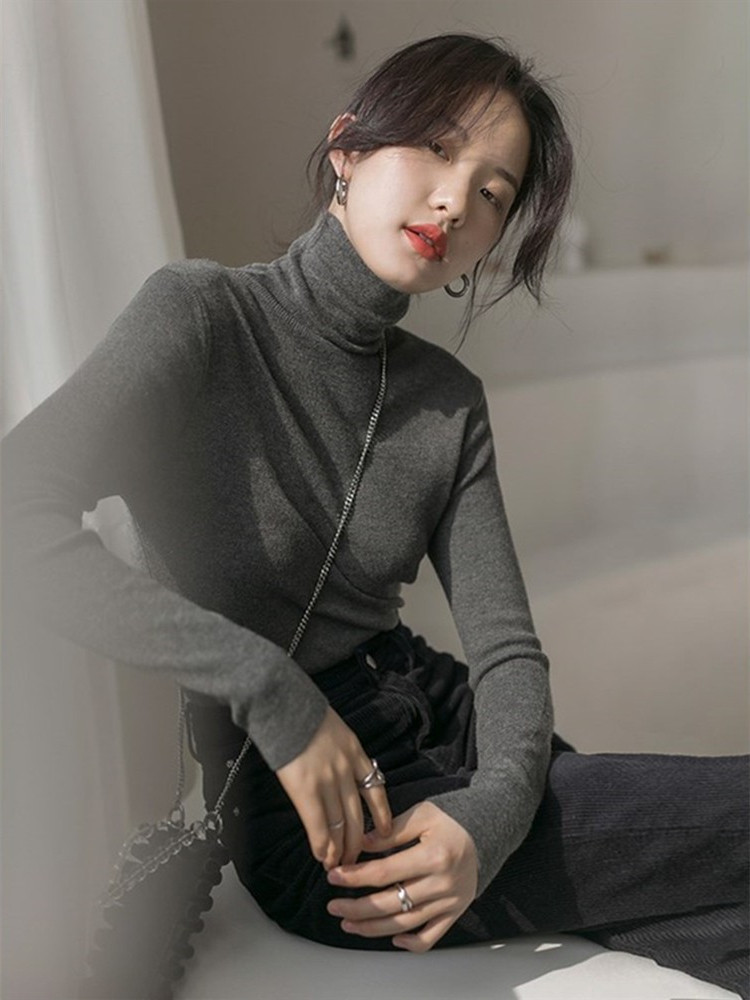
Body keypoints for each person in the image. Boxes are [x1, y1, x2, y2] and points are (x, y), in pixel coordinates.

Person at [2, 33, 747, 997]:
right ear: (347, 148)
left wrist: (493, 815)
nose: (455, 202)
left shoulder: (448, 401)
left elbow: (508, 653)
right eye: (437, 149)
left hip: (461, 735)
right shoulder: (201, 317)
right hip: (318, 814)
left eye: (493, 192)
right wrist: (268, 686)